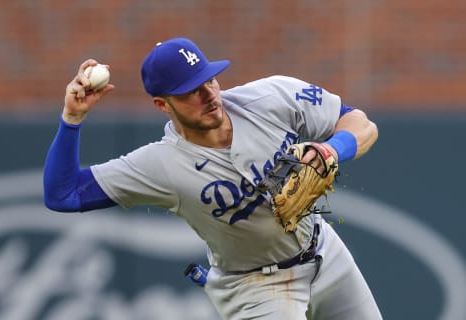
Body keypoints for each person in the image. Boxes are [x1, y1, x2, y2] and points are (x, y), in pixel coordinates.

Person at [43, 37, 382, 319]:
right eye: (192, 90)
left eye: (209, 79)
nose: (208, 94)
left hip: (324, 250)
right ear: (163, 105)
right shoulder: (159, 165)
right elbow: (64, 194)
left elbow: (360, 123)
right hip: (257, 287)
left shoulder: (269, 98)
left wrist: (332, 150)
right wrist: (71, 119)